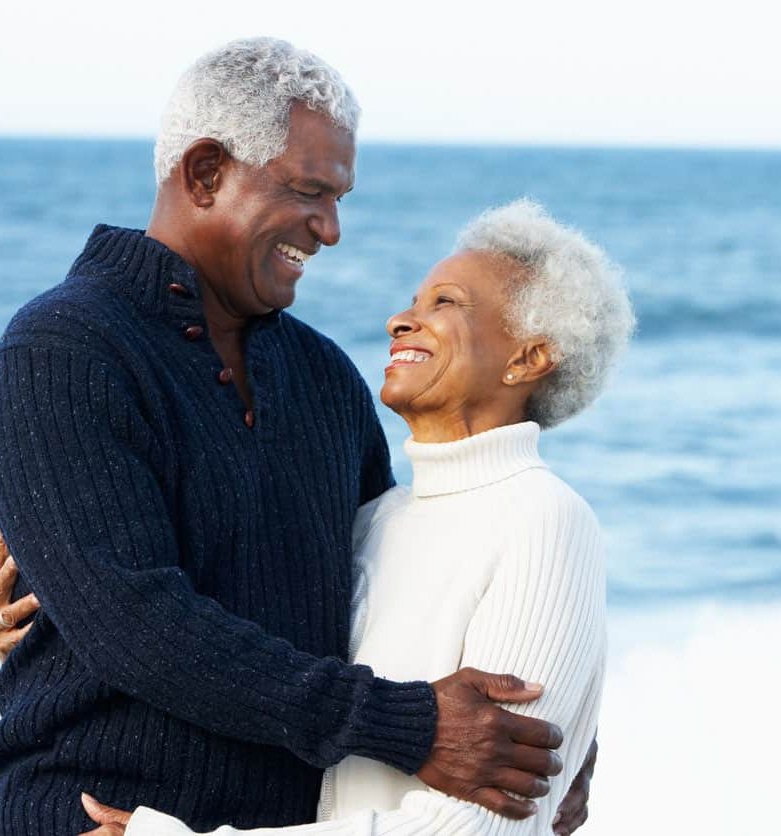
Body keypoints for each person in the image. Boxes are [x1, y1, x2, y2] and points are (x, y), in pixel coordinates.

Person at [0, 39, 586, 836]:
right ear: (204, 174)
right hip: (93, 817)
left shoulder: (323, 378)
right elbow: (137, 623)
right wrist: (411, 726)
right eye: (307, 192)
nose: (330, 230)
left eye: (339, 199)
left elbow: (396, 592)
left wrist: (552, 729)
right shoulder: (65, 349)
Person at [68, 199, 633, 835]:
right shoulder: (375, 520)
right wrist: (63, 612)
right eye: (413, 302)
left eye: (445, 304)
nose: (401, 320)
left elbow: (479, 828)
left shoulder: (544, 519)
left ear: (529, 358)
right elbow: (249, 653)